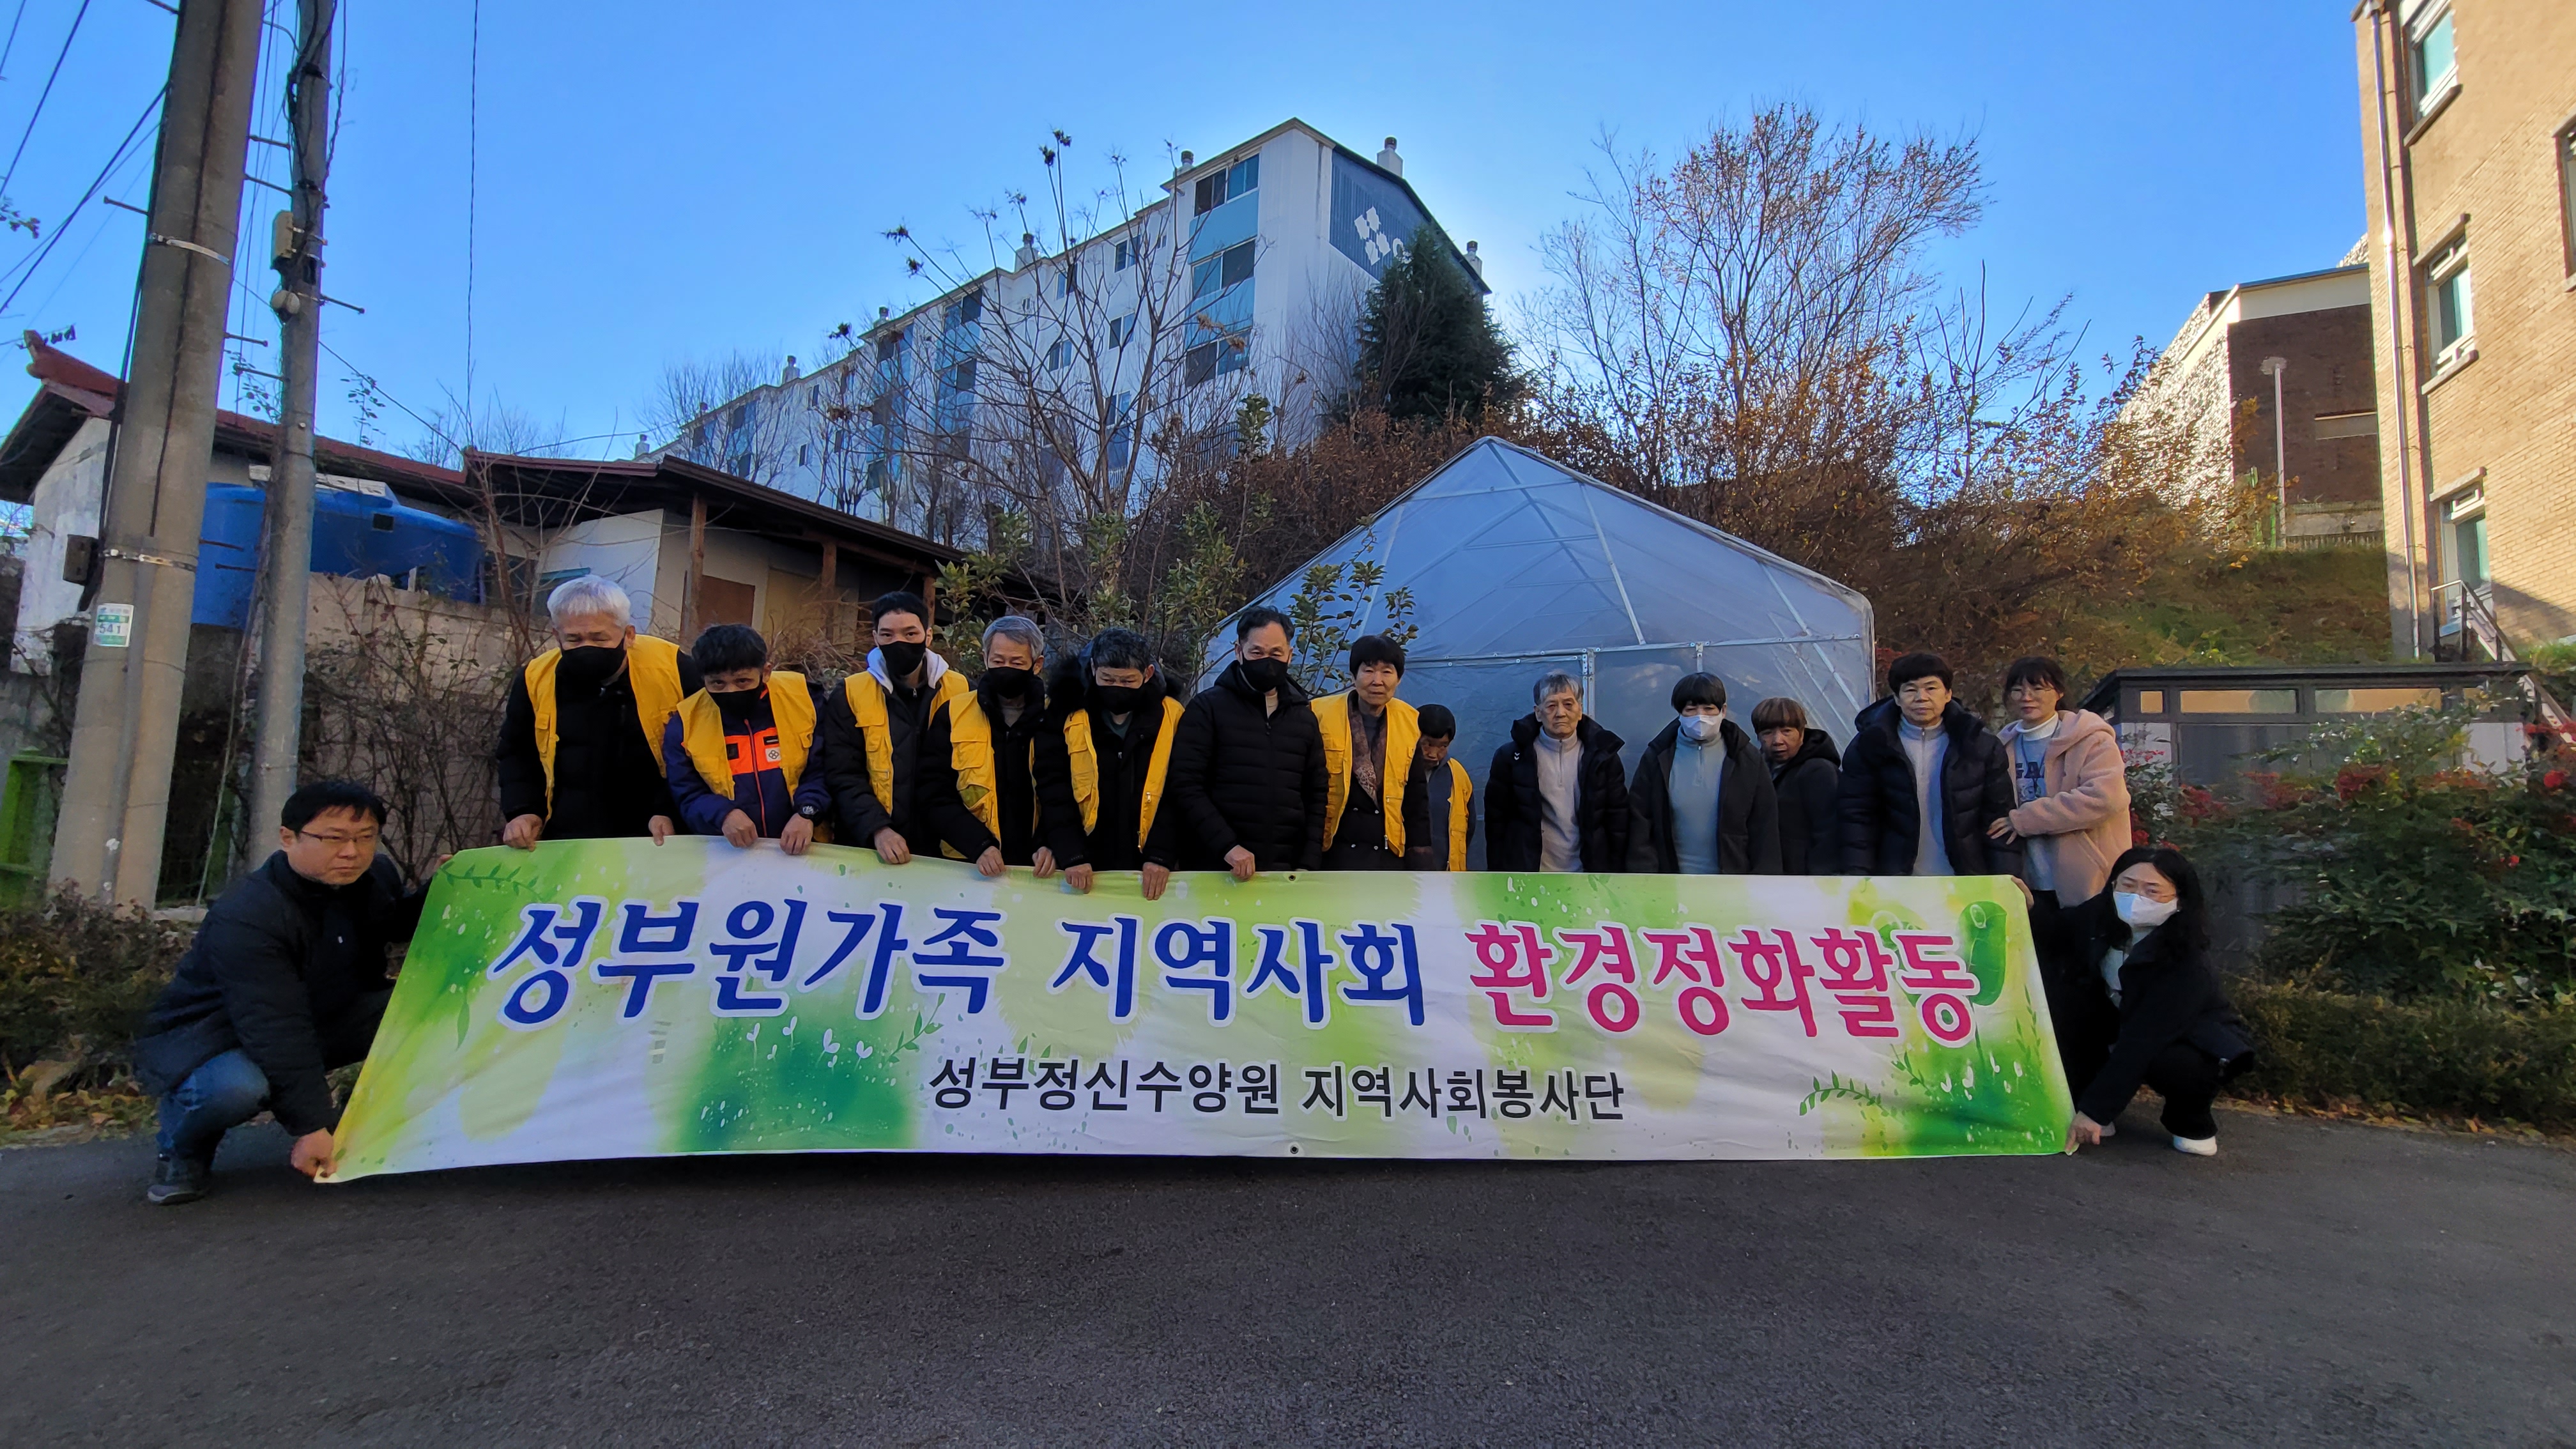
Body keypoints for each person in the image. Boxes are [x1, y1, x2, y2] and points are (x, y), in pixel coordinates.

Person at [130, 781, 431, 1204]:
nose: (351, 852)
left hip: (323, 1014)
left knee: (428, 1007)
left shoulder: (372, 877)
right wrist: (311, 1126)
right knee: (236, 1089)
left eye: (365, 837)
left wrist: (447, 885)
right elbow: (273, 1023)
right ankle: (182, 1150)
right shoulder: (250, 913)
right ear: (288, 838)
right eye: (333, 838)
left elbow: (394, 923)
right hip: (217, 1036)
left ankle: (364, 1116)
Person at [2046, 847, 2253, 1158]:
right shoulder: (2100, 915)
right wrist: (2023, 902)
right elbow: (2054, 929)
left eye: (2152, 890)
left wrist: (2094, 1112)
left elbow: (2144, 1040)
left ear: (2179, 899)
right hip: (2121, 1022)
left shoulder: (2187, 963)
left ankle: (2190, 1120)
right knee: (2067, 1004)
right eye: (2127, 885)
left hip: (2186, 1040)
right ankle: (2086, 1098)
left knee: (2176, 1062)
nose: (2136, 898)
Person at [496, 575, 700, 848]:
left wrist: (669, 811)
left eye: (599, 638)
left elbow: (704, 749)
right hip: (566, 840)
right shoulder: (535, 679)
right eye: (574, 639)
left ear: (629, 635)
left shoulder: (673, 669)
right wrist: (523, 810)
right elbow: (517, 752)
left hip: (655, 839)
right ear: (556, 636)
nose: (586, 647)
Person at [1167, 607, 1328, 879]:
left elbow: (1317, 793)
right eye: (1257, 652)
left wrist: (1309, 862)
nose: (1267, 661)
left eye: (1276, 653)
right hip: (1217, 868)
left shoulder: (1304, 717)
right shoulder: (1207, 708)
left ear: (1290, 655)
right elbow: (1186, 785)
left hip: (1286, 872)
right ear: (1239, 652)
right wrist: (1227, 846)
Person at [815, 590, 972, 865]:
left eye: (910, 634)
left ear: (928, 636)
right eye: (888, 635)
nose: (899, 642)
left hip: (944, 848)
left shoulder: (962, 690)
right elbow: (843, 774)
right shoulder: (851, 693)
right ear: (875, 637)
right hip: (871, 848)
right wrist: (878, 829)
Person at [1836, 652, 2021, 879]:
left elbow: (1997, 820)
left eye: (1931, 688)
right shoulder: (1870, 746)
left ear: (1948, 694)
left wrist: (2008, 878)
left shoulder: (1979, 746)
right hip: (1893, 879)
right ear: (1896, 698)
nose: (1921, 698)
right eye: (1910, 690)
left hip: (1965, 878)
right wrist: (1857, 876)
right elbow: (1857, 817)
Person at [1036, 627, 1184, 900]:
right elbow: (1053, 786)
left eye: (1128, 681)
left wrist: (1162, 854)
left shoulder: (1172, 715)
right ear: (1093, 669)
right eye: (1107, 679)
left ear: (1148, 674)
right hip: (1083, 861)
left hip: (1149, 863)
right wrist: (1071, 852)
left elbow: (1180, 788)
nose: (1117, 688)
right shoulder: (1065, 712)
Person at [662, 624, 826, 853]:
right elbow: (686, 792)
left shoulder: (805, 701)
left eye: (742, 681)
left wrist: (807, 812)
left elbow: (824, 767)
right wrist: (723, 814)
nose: (731, 691)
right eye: (718, 683)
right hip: (728, 854)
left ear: (765, 672)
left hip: (806, 848)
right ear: (703, 680)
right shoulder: (685, 724)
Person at [1988, 656, 2131, 910]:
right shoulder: (2002, 746)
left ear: (2059, 692)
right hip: (2028, 884)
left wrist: (2024, 820)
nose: (2026, 697)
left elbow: (2105, 798)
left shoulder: (2091, 739)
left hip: (2086, 882)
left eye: (2038, 688)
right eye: (2018, 690)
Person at [918, 616, 1054, 878]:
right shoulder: (954, 713)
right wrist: (978, 844)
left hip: (1039, 870)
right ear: (985, 659)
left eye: (1017, 663)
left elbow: (1068, 793)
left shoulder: (1057, 717)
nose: (1006, 669)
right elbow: (933, 791)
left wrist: (1052, 842)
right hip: (968, 866)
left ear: (1037, 665)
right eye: (998, 661)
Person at [1625, 672, 1781, 874]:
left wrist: (1763, 879)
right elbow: (1641, 820)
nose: (1700, 717)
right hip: (1670, 880)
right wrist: (1645, 874)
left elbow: (1764, 825)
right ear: (1680, 713)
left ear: (1723, 711)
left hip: (1732, 880)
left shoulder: (1745, 758)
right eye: (1691, 710)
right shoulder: (1657, 757)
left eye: (1709, 709)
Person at [1312, 634, 1436, 870]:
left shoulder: (1409, 721)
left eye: (1387, 672)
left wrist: (1420, 855)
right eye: (1368, 671)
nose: (1377, 681)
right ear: (1353, 676)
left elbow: (1416, 798)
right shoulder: (1319, 714)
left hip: (1386, 852)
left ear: (1399, 678)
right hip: (1332, 850)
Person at [1486, 671, 1628, 872]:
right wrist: (1499, 873)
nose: (1561, 713)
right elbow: (1496, 823)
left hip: (1589, 874)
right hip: (1532, 874)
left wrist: (1617, 874)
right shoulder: (1511, 758)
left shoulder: (1604, 757)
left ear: (1580, 710)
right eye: (1551, 705)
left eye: (1568, 704)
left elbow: (1617, 820)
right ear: (1538, 713)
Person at [1753, 696, 1842, 874]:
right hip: (1768, 877)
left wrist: (1820, 881)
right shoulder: (1756, 771)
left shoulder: (1819, 771)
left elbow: (1830, 835)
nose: (1777, 740)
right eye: (1768, 733)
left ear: (1801, 733)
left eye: (1786, 731)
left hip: (1806, 880)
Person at [1416, 704, 1475, 871]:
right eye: (1427, 744)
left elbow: (1469, 827)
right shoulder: (1395, 769)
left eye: (1443, 746)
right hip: (1400, 874)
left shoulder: (1458, 775)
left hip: (1446, 873)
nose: (1433, 754)